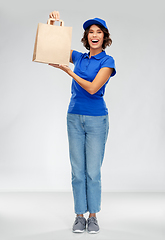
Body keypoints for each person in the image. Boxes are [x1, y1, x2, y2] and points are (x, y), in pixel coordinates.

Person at [48, 10, 116, 234]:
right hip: (74, 117)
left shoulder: (107, 60)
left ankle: (93, 216)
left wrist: (69, 72)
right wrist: (55, 25)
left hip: (97, 119)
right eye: (90, 32)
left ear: (104, 37)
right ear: (86, 37)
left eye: (98, 32)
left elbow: (93, 88)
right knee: (77, 171)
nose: (93, 35)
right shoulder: (78, 57)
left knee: (92, 172)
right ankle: (79, 216)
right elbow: (54, 48)